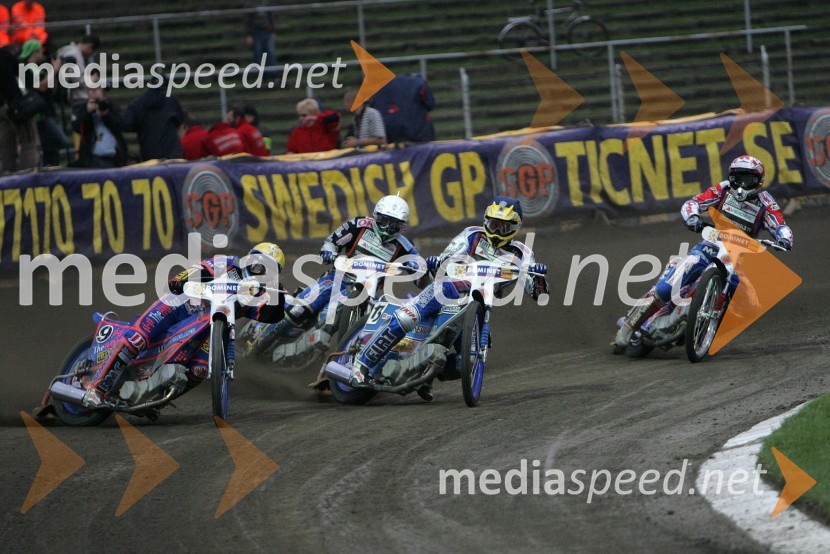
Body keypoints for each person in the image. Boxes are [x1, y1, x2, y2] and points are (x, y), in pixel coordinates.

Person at [352, 196, 549, 401]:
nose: (498, 231)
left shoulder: (523, 253)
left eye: (504, 227)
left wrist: (538, 276)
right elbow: (448, 255)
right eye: (494, 224)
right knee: (407, 316)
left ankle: (423, 378)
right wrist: (438, 261)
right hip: (450, 289)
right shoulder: (472, 235)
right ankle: (362, 364)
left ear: (515, 227)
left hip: (479, 305)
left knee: (467, 362)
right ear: (486, 221)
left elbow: (539, 294)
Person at [614, 155, 794, 349]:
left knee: (751, 304)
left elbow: (779, 225)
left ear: (758, 181)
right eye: (738, 178)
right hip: (710, 246)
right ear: (731, 177)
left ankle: (707, 324)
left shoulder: (765, 201)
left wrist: (784, 238)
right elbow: (693, 203)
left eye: (748, 179)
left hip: (738, 260)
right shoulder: (723, 189)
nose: (741, 184)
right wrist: (692, 217)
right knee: (666, 289)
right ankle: (628, 326)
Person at [82, 242, 287, 408]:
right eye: (260, 262)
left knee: (198, 370)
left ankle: (153, 398)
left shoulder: (260, 293)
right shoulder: (228, 263)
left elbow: (270, 316)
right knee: (139, 337)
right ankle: (96, 388)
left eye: (271, 269)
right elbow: (200, 268)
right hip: (179, 304)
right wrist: (181, 279)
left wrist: (277, 297)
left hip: (210, 326)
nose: (262, 269)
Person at [245, 194, 421, 354]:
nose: (388, 228)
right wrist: (329, 250)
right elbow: (332, 241)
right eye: (384, 221)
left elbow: (420, 271)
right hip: (338, 278)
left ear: (402, 226)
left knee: (374, 326)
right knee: (299, 308)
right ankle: (256, 346)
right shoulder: (358, 225)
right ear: (377, 216)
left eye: (394, 224)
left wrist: (419, 268)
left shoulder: (405, 246)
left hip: (369, 292)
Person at [0, 41, 39, 173]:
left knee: (6, 146)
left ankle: (7, 179)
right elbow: (23, 74)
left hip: (1, 109)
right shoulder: (4, 54)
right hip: (14, 105)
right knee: (28, 142)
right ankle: (26, 178)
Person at [122, 81, 185, 161]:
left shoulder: (138, 103)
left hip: (149, 153)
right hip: (172, 152)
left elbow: (127, 124)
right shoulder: (171, 101)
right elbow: (180, 121)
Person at [72, 83, 127, 168]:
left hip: (113, 158)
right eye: (91, 90)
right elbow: (77, 128)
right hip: (92, 159)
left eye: (96, 89)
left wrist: (105, 114)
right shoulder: (83, 109)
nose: (93, 93)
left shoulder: (112, 107)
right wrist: (88, 113)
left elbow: (121, 125)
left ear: (103, 93)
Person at [55, 34, 100, 107]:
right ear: (90, 46)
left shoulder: (70, 51)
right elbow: (77, 80)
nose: (90, 54)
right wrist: (92, 78)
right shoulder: (75, 55)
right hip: (77, 98)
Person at [244, 0, 276, 70]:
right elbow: (247, 19)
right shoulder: (250, 4)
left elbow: (270, 17)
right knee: (258, 53)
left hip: (267, 30)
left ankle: (272, 73)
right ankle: (259, 73)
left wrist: (273, 31)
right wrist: (248, 34)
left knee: (270, 52)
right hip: (256, 31)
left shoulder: (267, 2)